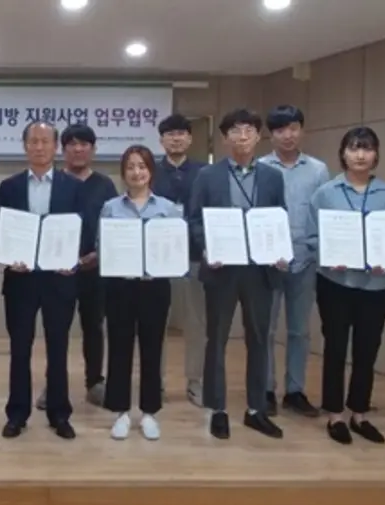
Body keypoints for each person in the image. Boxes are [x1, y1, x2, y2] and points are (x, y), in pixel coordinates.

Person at [188, 108, 287, 440]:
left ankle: (256, 409)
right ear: (224, 138)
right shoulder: (208, 176)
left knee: (259, 339)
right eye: (235, 131)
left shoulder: (273, 177)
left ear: (258, 136)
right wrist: (207, 248)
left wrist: (280, 250)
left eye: (248, 130)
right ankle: (217, 409)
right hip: (222, 270)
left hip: (260, 270)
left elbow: (280, 217)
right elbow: (194, 220)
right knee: (216, 339)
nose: (242, 136)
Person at [0, 121, 87, 440]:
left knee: (58, 348)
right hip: (21, 280)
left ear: (55, 147)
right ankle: (17, 414)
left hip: (59, 280)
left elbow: (83, 229)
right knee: (20, 348)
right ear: (25, 146)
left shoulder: (73, 186)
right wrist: (10, 256)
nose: (39, 147)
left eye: (46, 141)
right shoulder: (9, 186)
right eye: (33, 141)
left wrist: (72, 259)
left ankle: (59, 413)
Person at [307, 126, 385, 445]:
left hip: (377, 286)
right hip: (335, 283)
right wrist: (328, 256)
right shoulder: (326, 193)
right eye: (354, 148)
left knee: (367, 350)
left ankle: (359, 413)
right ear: (343, 154)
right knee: (335, 348)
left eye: (367, 148)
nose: (360, 155)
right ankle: (335, 414)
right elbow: (312, 237)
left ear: (376, 155)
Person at [35, 124, 116, 412]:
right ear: (63, 148)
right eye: (72, 144)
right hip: (59, 271)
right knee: (57, 329)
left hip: (94, 269)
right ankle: (54, 384)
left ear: (93, 149)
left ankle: (95, 382)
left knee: (94, 326)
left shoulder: (105, 185)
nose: (78, 149)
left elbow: (113, 225)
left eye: (85, 144)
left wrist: (98, 254)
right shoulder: (53, 182)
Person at [101, 145, 178, 441]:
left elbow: (176, 247)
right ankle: (120, 412)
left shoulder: (167, 208)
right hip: (120, 287)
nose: (137, 172)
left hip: (154, 287)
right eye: (131, 167)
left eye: (142, 166)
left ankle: (149, 413)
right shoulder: (111, 207)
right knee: (119, 348)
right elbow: (101, 245)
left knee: (152, 348)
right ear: (123, 173)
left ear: (151, 171)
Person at [260, 105, 329, 417]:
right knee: (265, 330)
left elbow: (324, 215)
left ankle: (295, 391)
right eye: (280, 129)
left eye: (293, 128)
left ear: (302, 130)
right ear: (270, 135)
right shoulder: (261, 168)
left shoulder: (318, 170)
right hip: (269, 264)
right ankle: (265, 389)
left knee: (299, 331)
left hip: (305, 261)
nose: (287, 135)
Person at [150, 114, 208, 406]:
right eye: (170, 134)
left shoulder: (204, 172)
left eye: (181, 133)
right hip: (160, 258)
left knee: (197, 322)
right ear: (161, 140)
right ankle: (155, 382)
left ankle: (195, 381)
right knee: (156, 322)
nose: (176, 138)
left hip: (196, 256)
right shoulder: (149, 171)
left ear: (190, 138)